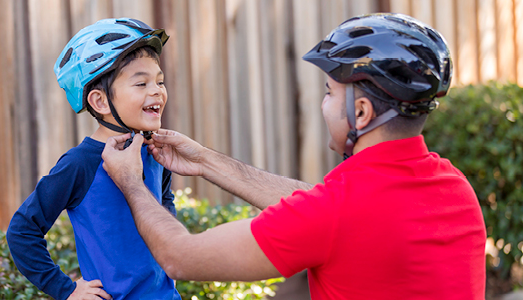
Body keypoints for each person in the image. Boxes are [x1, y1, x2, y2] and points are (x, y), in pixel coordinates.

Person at [101, 13, 486, 299]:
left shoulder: (337, 211)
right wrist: (204, 161)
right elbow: (322, 210)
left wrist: (132, 183)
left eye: (329, 92)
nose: (323, 104)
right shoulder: (454, 188)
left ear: (363, 113)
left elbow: (180, 257)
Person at [6, 18, 181, 300]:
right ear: (100, 102)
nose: (157, 90)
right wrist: (66, 290)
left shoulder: (154, 150)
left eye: (160, 81)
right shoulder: (81, 164)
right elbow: (22, 231)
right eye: (141, 83)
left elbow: (165, 201)